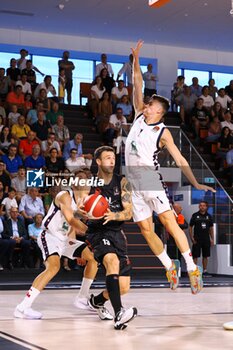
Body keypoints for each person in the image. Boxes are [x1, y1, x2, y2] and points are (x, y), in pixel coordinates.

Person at [125, 40, 216, 295]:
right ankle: (169, 265)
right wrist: (137, 61)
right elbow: (138, 84)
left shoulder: (162, 131)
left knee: (167, 221)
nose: (146, 104)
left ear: (159, 112)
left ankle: (192, 268)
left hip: (149, 178)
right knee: (145, 229)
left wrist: (196, 182)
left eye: (151, 104)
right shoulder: (137, 115)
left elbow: (180, 160)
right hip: (131, 180)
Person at [14, 170, 98, 319]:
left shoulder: (82, 203)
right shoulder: (64, 195)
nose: (80, 181)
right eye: (77, 178)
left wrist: (74, 249)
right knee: (53, 267)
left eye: (84, 179)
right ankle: (23, 307)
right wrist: (91, 231)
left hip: (65, 239)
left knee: (92, 258)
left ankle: (81, 298)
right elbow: (71, 219)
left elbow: (70, 228)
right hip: (50, 236)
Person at [85, 146, 137, 330]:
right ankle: (119, 314)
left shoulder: (123, 182)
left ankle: (97, 301)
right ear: (98, 161)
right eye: (107, 158)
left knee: (123, 287)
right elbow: (77, 212)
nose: (112, 161)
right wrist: (85, 213)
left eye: (113, 158)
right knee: (111, 261)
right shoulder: (88, 182)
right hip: (97, 232)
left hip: (116, 233)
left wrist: (113, 216)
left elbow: (129, 212)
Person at [189, 201, 214, 276]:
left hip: (206, 239)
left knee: (205, 255)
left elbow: (211, 228)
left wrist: (212, 239)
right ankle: (194, 270)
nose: (202, 207)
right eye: (200, 205)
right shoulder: (195, 215)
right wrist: (192, 238)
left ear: (206, 207)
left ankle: (205, 271)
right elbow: (190, 227)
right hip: (197, 238)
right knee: (195, 255)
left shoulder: (209, 216)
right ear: (199, 207)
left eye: (204, 205)